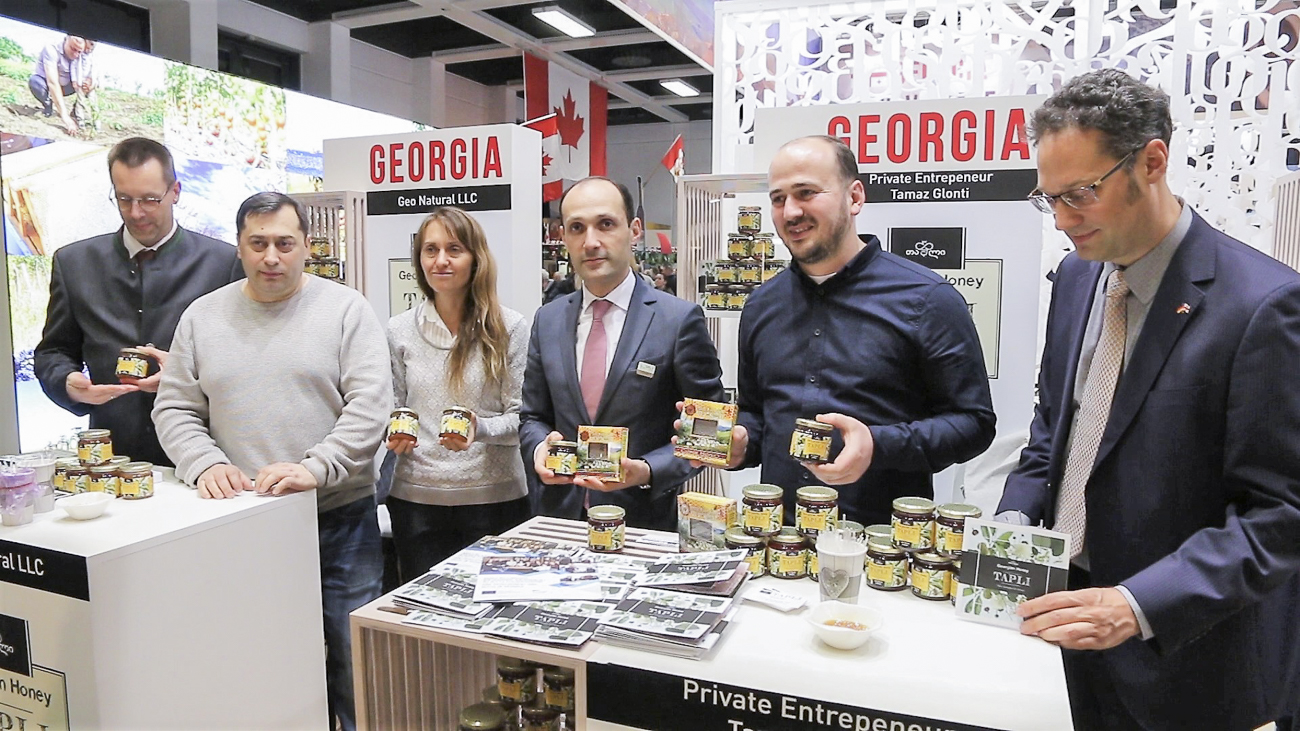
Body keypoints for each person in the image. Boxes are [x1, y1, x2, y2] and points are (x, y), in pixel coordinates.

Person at [997, 69, 1300, 730]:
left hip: (1185, 659)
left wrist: (1136, 605)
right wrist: (1015, 520)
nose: (1063, 220)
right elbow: (1056, 426)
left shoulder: (1263, 305)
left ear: (1152, 163)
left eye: (1081, 194)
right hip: (1066, 629)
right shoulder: (1076, 278)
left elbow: (1280, 514)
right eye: (1048, 199)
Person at [152, 192, 390, 731]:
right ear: (239, 247)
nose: (272, 257)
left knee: (353, 661)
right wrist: (204, 463)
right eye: (258, 244)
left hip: (339, 519)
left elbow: (371, 406)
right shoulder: (202, 317)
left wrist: (318, 466)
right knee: (257, 660)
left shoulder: (346, 310)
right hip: (243, 525)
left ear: (306, 245)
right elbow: (174, 408)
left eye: (285, 243)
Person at [697, 135, 995, 527]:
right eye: (778, 198)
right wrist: (741, 442)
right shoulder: (761, 306)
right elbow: (758, 414)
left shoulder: (927, 299)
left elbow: (973, 423)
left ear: (854, 197)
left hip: (884, 542)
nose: (790, 212)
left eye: (806, 193)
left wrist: (877, 445)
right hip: (779, 539)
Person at [520, 177, 724, 531]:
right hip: (559, 522)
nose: (591, 241)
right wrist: (540, 449)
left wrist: (646, 470)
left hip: (642, 523)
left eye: (606, 224)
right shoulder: (547, 320)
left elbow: (709, 435)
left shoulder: (678, 321)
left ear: (634, 231)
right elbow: (532, 417)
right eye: (577, 228)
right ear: (564, 237)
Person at [35, 136, 241, 466]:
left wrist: (186, 374)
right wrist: (67, 382)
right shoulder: (74, 263)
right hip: (113, 458)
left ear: (175, 192)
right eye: (124, 199)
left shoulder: (223, 263)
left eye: (149, 200)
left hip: (202, 456)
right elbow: (54, 351)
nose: (136, 213)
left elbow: (244, 358)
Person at [385, 207, 530, 581]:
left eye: (454, 249)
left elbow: (523, 421)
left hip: (494, 501)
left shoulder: (509, 328)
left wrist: (479, 428)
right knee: (421, 610)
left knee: (494, 610)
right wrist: (393, 432)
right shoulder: (398, 330)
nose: (441, 261)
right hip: (416, 503)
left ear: (475, 257)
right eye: (430, 250)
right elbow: (394, 408)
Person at [28, 35, 84, 134]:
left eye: (79, 51)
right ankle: (48, 105)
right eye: (73, 49)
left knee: (84, 84)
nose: (76, 55)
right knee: (34, 81)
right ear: (65, 40)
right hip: (46, 84)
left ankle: (76, 112)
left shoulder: (82, 56)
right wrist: (65, 117)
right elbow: (53, 83)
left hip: (66, 87)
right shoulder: (51, 49)